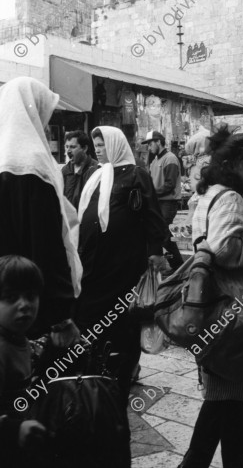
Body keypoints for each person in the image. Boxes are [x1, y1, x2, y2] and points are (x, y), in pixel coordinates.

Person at [178, 127, 243, 468]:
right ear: (233, 163)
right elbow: (224, 248)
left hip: (218, 312)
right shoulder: (231, 198)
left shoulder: (210, 193)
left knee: (228, 401)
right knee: (233, 402)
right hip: (235, 315)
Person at [76, 126, 167, 401]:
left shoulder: (136, 175)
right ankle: (97, 367)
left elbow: (152, 214)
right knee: (92, 315)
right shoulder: (96, 175)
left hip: (124, 263)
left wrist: (155, 250)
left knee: (122, 317)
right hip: (94, 262)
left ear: (115, 144)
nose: (98, 149)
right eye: (95, 145)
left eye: (102, 144)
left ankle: (124, 370)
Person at [0, 77, 81, 347]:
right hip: (29, 307)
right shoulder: (32, 165)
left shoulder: (4, 158)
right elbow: (46, 246)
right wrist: (61, 318)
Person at [0, 255, 47, 468]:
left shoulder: (19, 338)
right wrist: (13, 430)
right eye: (10, 297)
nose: (24, 304)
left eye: (31, 296)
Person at [142, 130, 184, 271]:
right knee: (159, 233)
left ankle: (178, 266)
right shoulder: (155, 160)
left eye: (150, 144)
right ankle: (164, 265)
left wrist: (151, 193)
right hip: (159, 202)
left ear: (158, 142)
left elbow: (169, 185)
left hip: (168, 202)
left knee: (164, 235)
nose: (149, 147)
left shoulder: (170, 158)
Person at [62, 130, 98, 209]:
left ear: (84, 148)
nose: (68, 151)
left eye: (73, 147)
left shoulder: (96, 169)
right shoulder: (65, 170)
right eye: (67, 146)